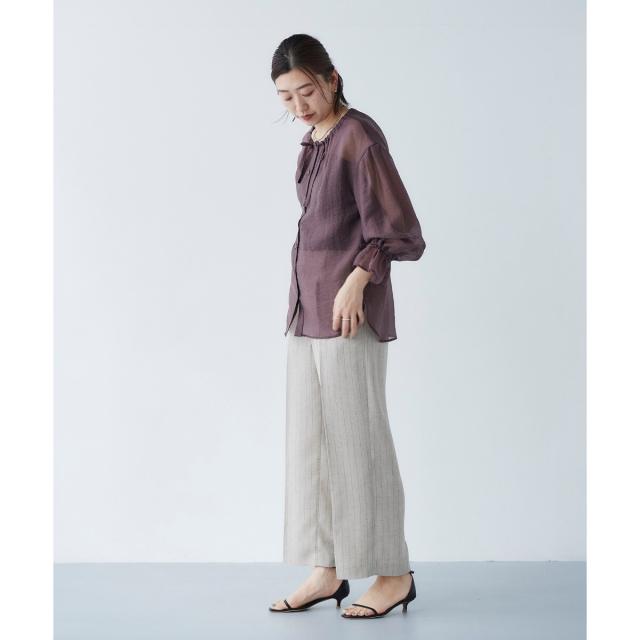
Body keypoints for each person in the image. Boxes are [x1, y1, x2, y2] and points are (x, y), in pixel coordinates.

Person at [268, 34, 426, 619]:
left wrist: (359, 278)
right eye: (287, 97)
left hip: (348, 313)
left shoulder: (358, 135)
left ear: (332, 78)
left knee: (360, 444)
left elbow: (402, 231)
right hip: (305, 308)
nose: (299, 105)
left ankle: (393, 573)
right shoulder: (313, 142)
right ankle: (327, 568)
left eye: (307, 91)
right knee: (311, 445)